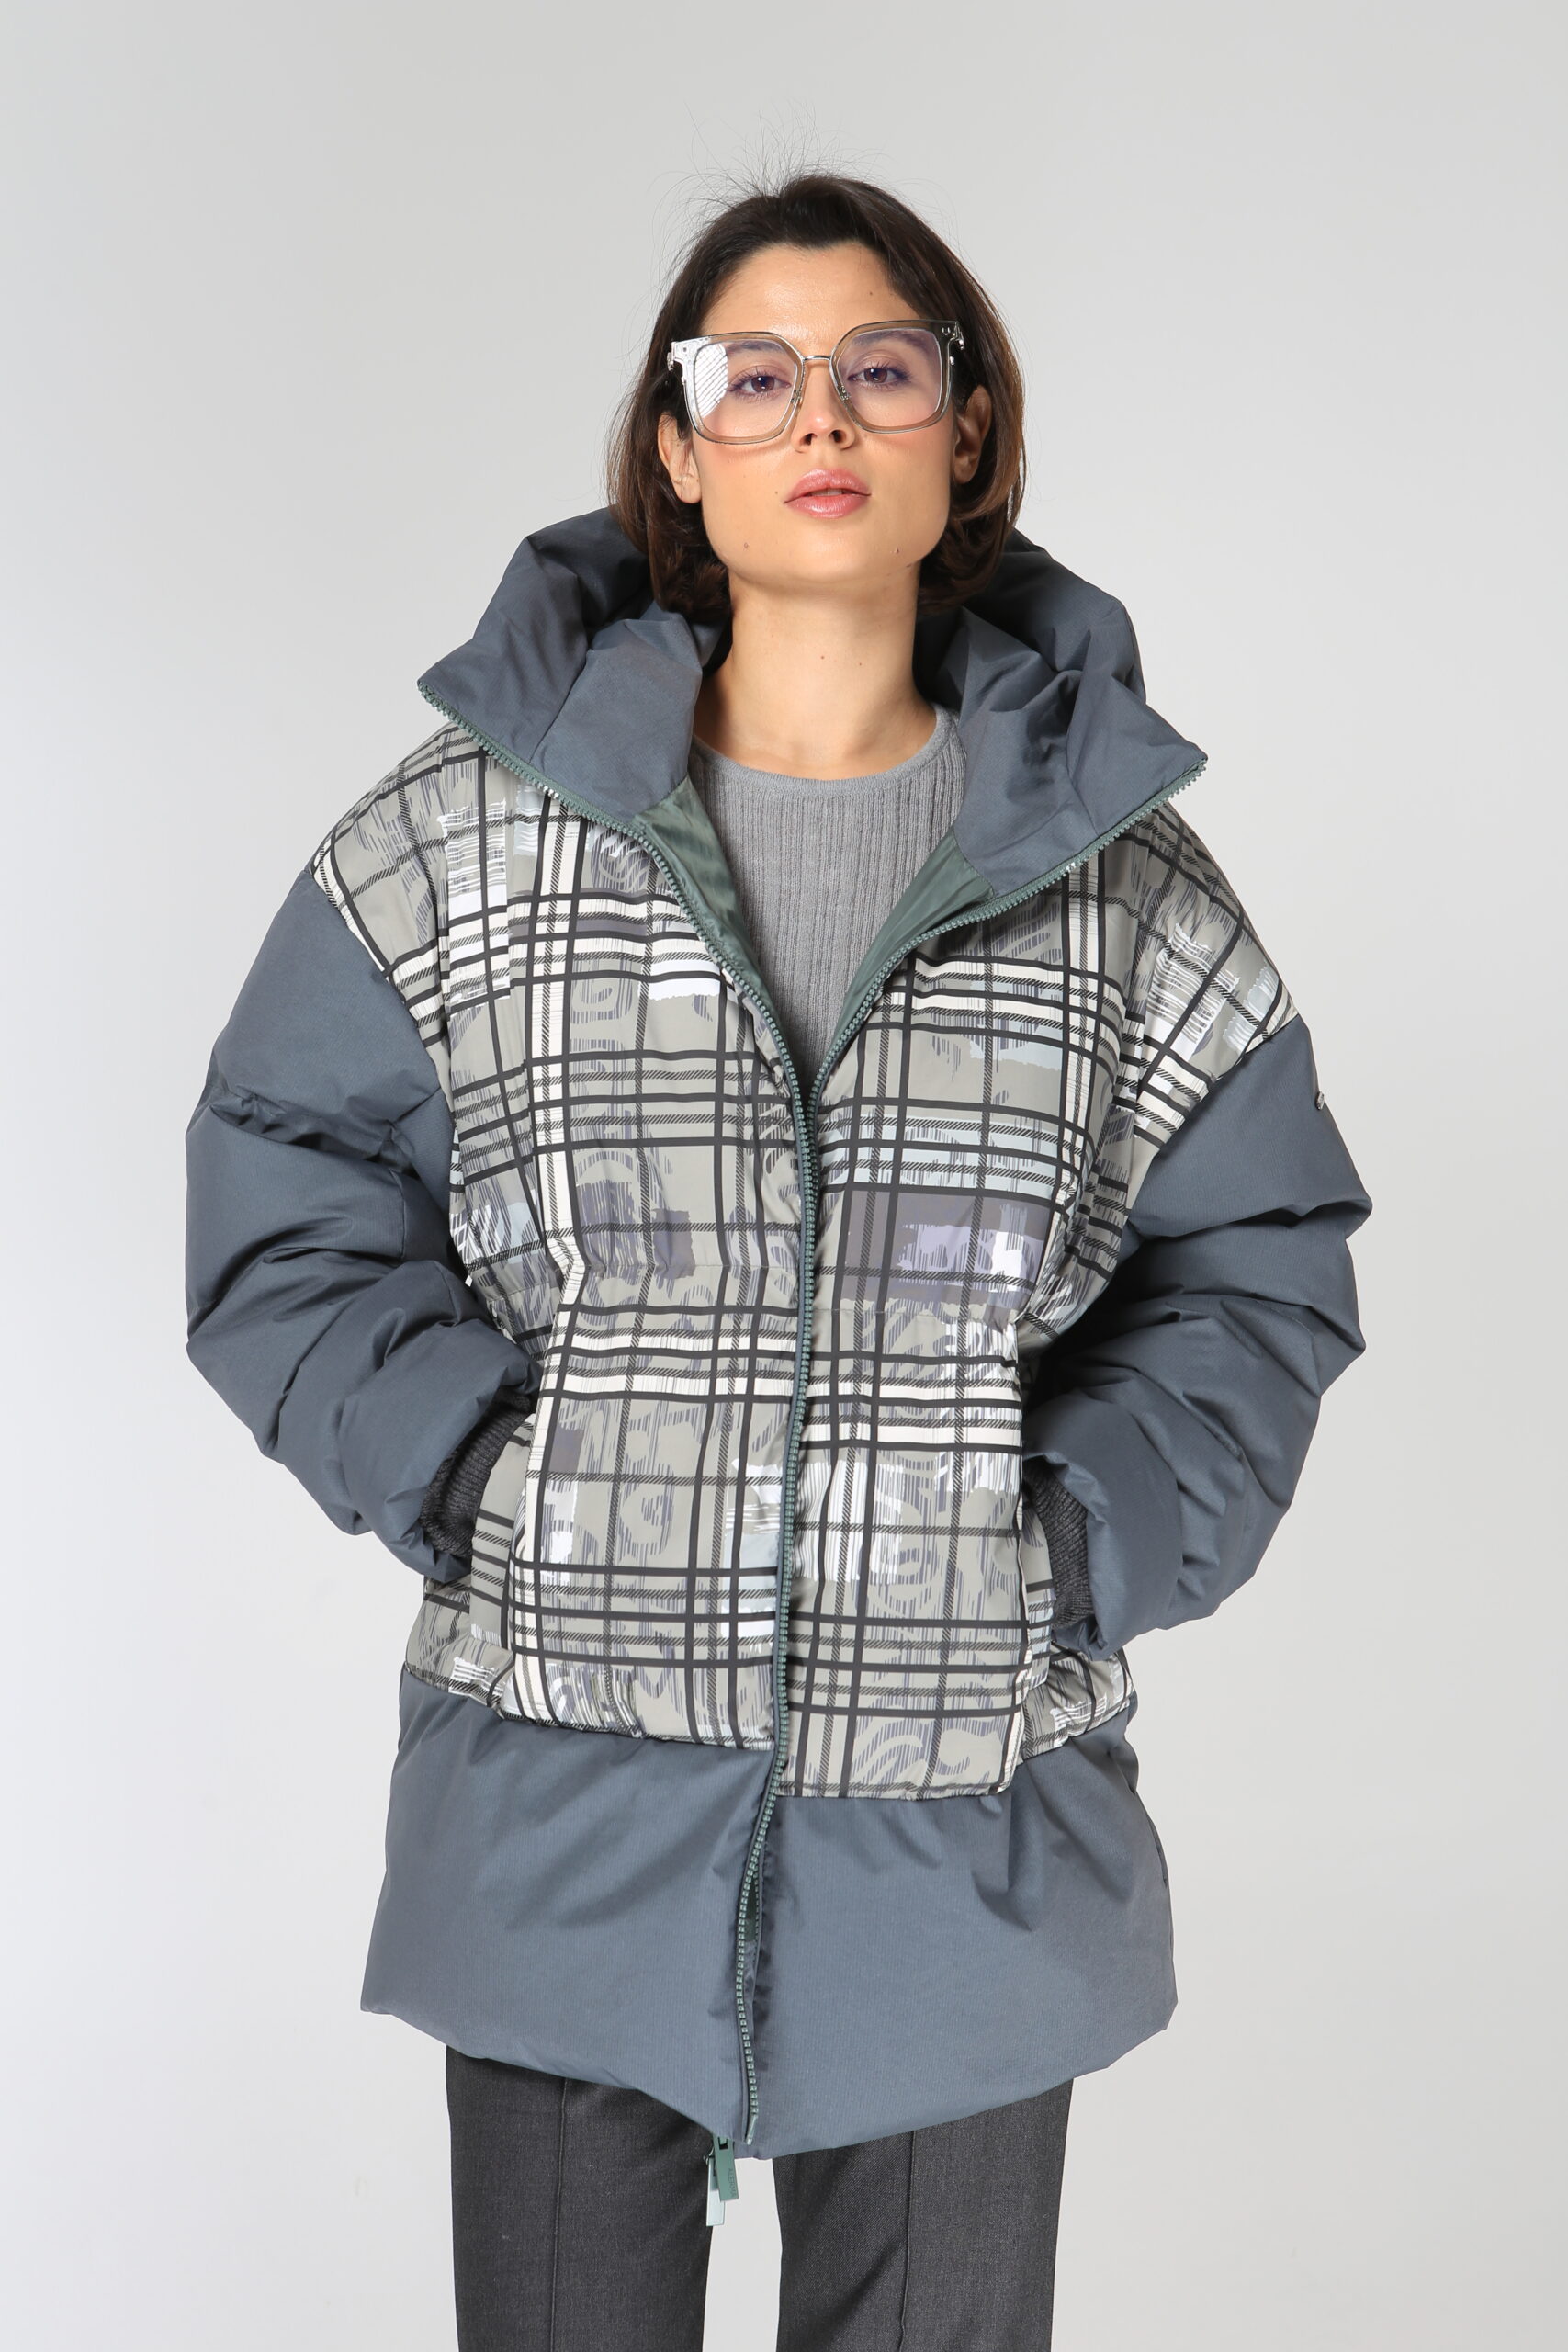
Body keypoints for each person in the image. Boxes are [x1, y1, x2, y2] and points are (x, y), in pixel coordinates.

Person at [184, 169, 1373, 2350]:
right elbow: (284, 1189)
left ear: (963, 431)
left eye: (878, 367)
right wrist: (480, 1474)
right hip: (557, 1799)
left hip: (964, 1829)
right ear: (675, 445)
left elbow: (1255, 1265)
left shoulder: (1117, 884)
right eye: (750, 373)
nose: (816, 414)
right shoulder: (466, 833)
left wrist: (1067, 1541)